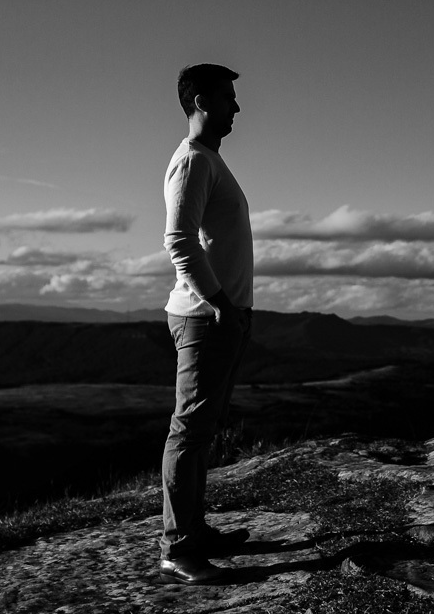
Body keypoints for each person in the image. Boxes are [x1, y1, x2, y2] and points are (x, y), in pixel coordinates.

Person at [157, 63, 254, 585]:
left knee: (201, 430)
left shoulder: (209, 160)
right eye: (228, 97)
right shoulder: (193, 161)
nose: (237, 107)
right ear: (199, 100)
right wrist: (219, 304)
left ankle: (194, 530)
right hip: (204, 316)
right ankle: (179, 547)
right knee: (189, 431)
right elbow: (178, 240)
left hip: (219, 313)